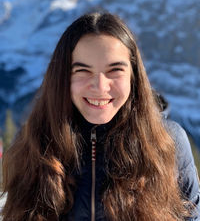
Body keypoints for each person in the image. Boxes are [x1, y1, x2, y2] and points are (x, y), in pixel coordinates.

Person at [1, 12, 200, 221]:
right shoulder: (33, 142)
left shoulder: (169, 142)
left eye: (115, 70)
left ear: (133, 76)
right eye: (83, 70)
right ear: (63, 76)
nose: (100, 86)